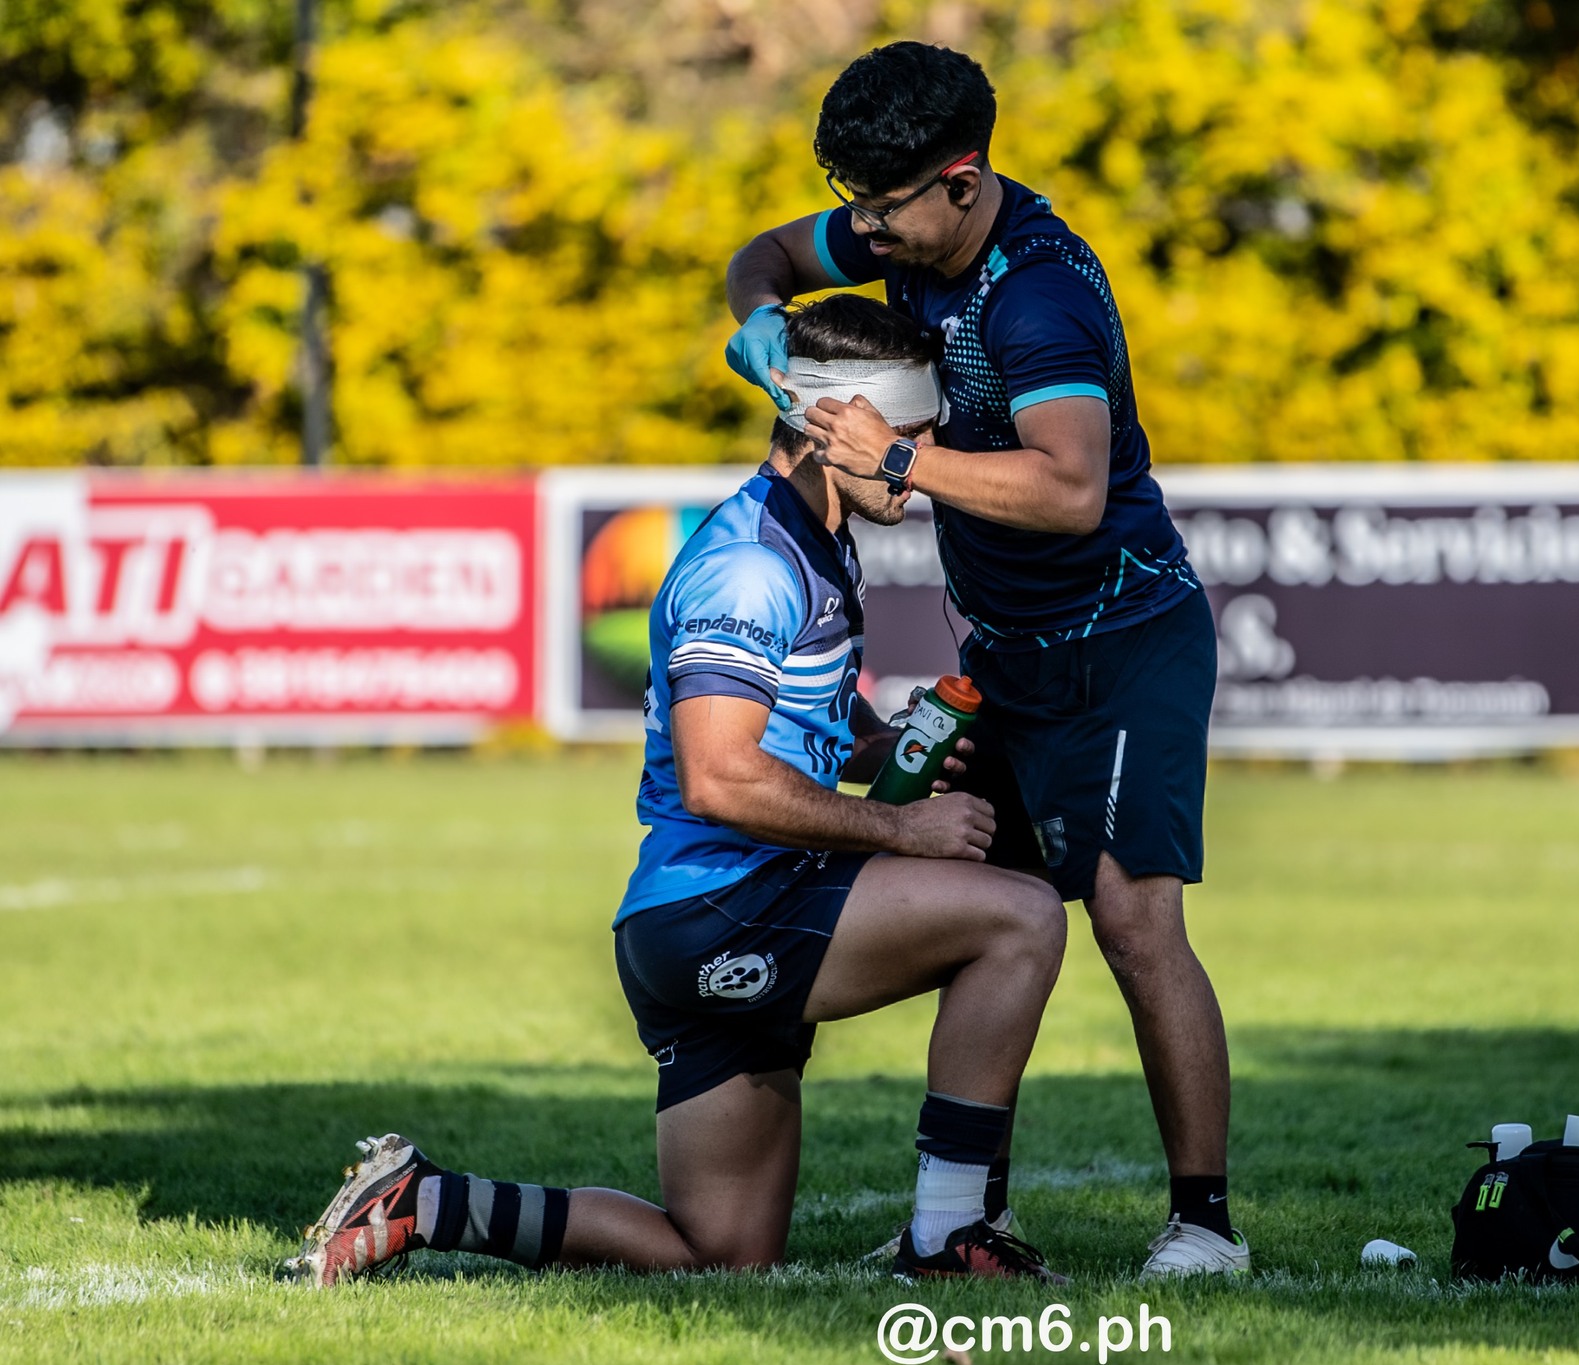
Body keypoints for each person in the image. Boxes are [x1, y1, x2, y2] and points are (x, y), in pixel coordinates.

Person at [287, 295, 1067, 1287]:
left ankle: (422, 1202)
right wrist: (900, 827)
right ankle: (948, 1233)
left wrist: (884, 743)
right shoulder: (749, 565)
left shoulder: (813, 533)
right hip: (730, 906)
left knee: (722, 1254)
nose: (924, 460)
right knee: (1021, 917)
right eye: (908, 434)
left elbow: (793, 720)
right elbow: (717, 775)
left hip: (709, 911)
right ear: (837, 426)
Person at [723, 42, 1244, 1277]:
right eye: (852, 201)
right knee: (980, 910)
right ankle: (955, 1226)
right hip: (1007, 656)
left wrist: (900, 460)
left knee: (1132, 921)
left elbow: (1068, 491)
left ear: (960, 182)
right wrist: (757, 319)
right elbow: (767, 255)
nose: (862, 229)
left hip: (1119, 647)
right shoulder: (910, 233)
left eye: (882, 206)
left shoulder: (1036, 295)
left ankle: (1205, 1227)